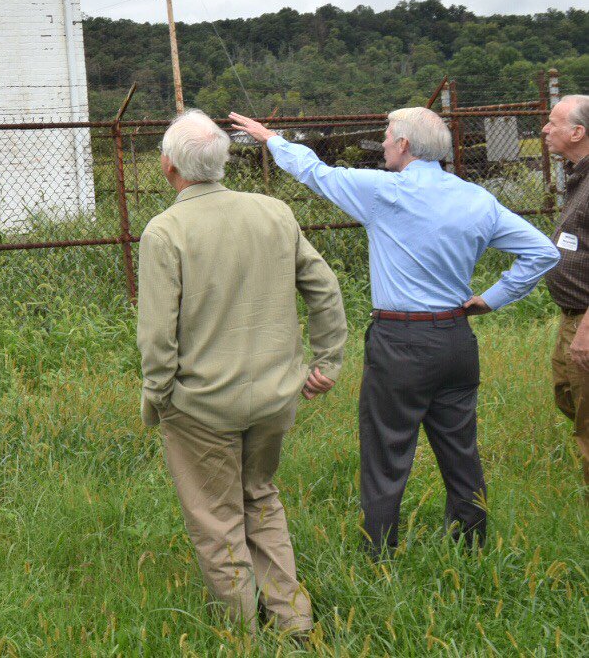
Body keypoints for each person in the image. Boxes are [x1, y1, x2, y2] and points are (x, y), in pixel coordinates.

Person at [229, 106, 559, 554]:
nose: (382, 143)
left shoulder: (384, 192)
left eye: (387, 136)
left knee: (387, 450)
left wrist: (270, 138)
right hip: (457, 339)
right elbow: (542, 252)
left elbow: (315, 172)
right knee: (460, 448)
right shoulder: (477, 199)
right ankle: (472, 547)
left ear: (403, 145)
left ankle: (379, 555)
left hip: (400, 341)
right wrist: (493, 298)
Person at [137, 110, 347, 636]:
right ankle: (293, 619)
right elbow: (324, 289)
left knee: (216, 518)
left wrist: (159, 397)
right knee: (260, 495)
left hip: (200, 405)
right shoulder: (273, 212)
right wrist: (327, 361)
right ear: (224, 161)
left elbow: (157, 336)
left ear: (168, 167)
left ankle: (242, 632)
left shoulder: (165, 232)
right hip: (276, 397)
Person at [541, 94, 589, 490]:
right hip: (571, 315)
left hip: (587, 319)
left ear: (577, 132)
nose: (544, 129)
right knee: (566, 393)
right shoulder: (579, 176)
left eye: (552, 122)